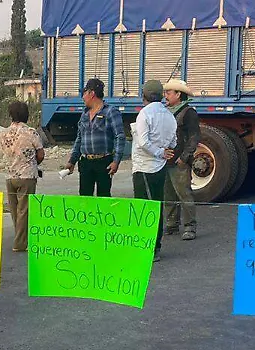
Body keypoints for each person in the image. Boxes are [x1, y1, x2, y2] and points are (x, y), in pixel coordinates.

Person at [131, 80, 177, 263]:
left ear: (145, 96)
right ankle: (155, 245)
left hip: (145, 167)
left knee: (144, 208)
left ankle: (148, 247)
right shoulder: (169, 115)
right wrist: (165, 151)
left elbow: (143, 142)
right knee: (157, 206)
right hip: (160, 168)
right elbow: (173, 142)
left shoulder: (145, 114)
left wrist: (158, 152)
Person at [64, 78, 124, 197]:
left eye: (84, 93)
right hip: (86, 162)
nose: (83, 97)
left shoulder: (110, 112)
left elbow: (119, 136)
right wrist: (72, 161)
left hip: (104, 162)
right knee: (85, 199)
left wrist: (116, 161)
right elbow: (79, 139)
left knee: (103, 198)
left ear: (92, 93)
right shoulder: (85, 114)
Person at [1, 100, 44, 253]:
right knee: (24, 210)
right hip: (27, 175)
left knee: (14, 209)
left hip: (10, 175)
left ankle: (19, 236)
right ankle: (20, 243)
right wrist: (33, 162)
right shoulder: (31, 132)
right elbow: (40, 153)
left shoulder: (4, 133)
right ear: (26, 114)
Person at [162, 79, 201, 240]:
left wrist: (184, 158)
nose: (165, 96)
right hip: (166, 159)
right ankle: (172, 224)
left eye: (169, 93)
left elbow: (194, 137)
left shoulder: (188, 112)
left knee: (184, 194)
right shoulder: (165, 111)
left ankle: (190, 226)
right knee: (168, 194)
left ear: (179, 94)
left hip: (179, 161)